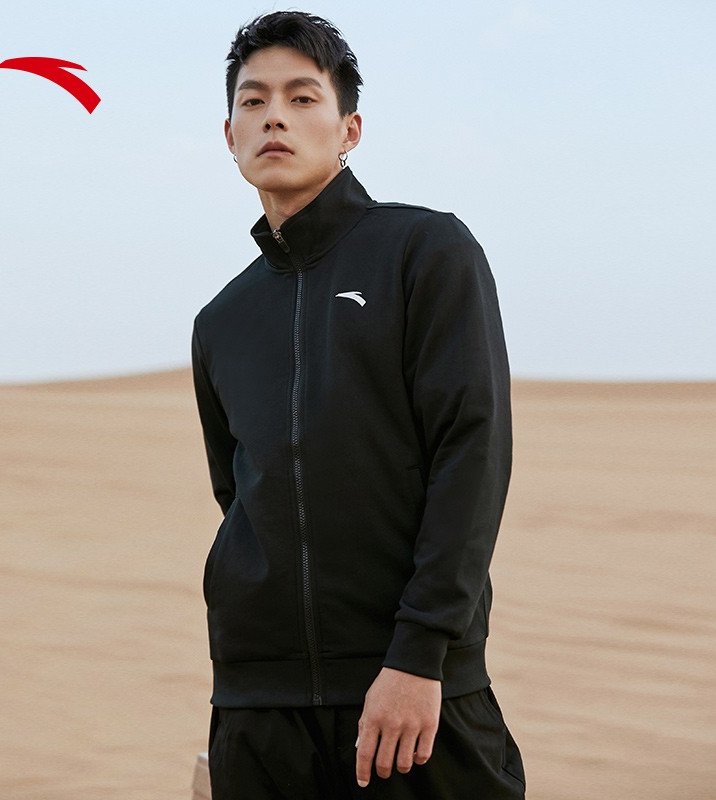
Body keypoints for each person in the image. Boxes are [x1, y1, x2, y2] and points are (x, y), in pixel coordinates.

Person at [191, 11, 525, 799]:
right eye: (253, 101)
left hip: (408, 691)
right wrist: (242, 689)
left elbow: (471, 453)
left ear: (350, 129)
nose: (274, 116)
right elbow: (239, 494)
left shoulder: (426, 252)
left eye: (302, 97)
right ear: (230, 135)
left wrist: (420, 652)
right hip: (258, 707)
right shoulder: (221, 320)